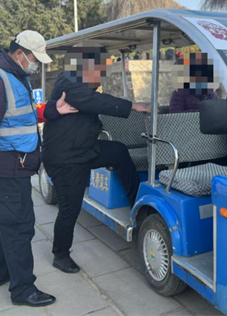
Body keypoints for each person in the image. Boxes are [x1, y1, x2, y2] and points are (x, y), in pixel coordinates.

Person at [0, 30, 77, 307]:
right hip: (7, 168)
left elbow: (22, 116)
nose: (37, 64)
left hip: (16, 166)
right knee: (19, 227)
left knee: (4, 223)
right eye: (34, 58)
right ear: (19, 54)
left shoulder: (16, 76)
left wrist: (53, 111)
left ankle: (0, 273)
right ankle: (23, 290)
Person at [42, 47, 150, 274]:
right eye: (100, 71)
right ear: (85, 68)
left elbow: (94, 101)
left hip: (84, 150)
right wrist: (133, 106)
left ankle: (137, 205)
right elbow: (96, 101)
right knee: (70, 207)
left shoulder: (80, 85)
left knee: (118, 152)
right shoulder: (68, 85)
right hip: (65, 159)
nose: (102, 77)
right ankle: (60, 255)